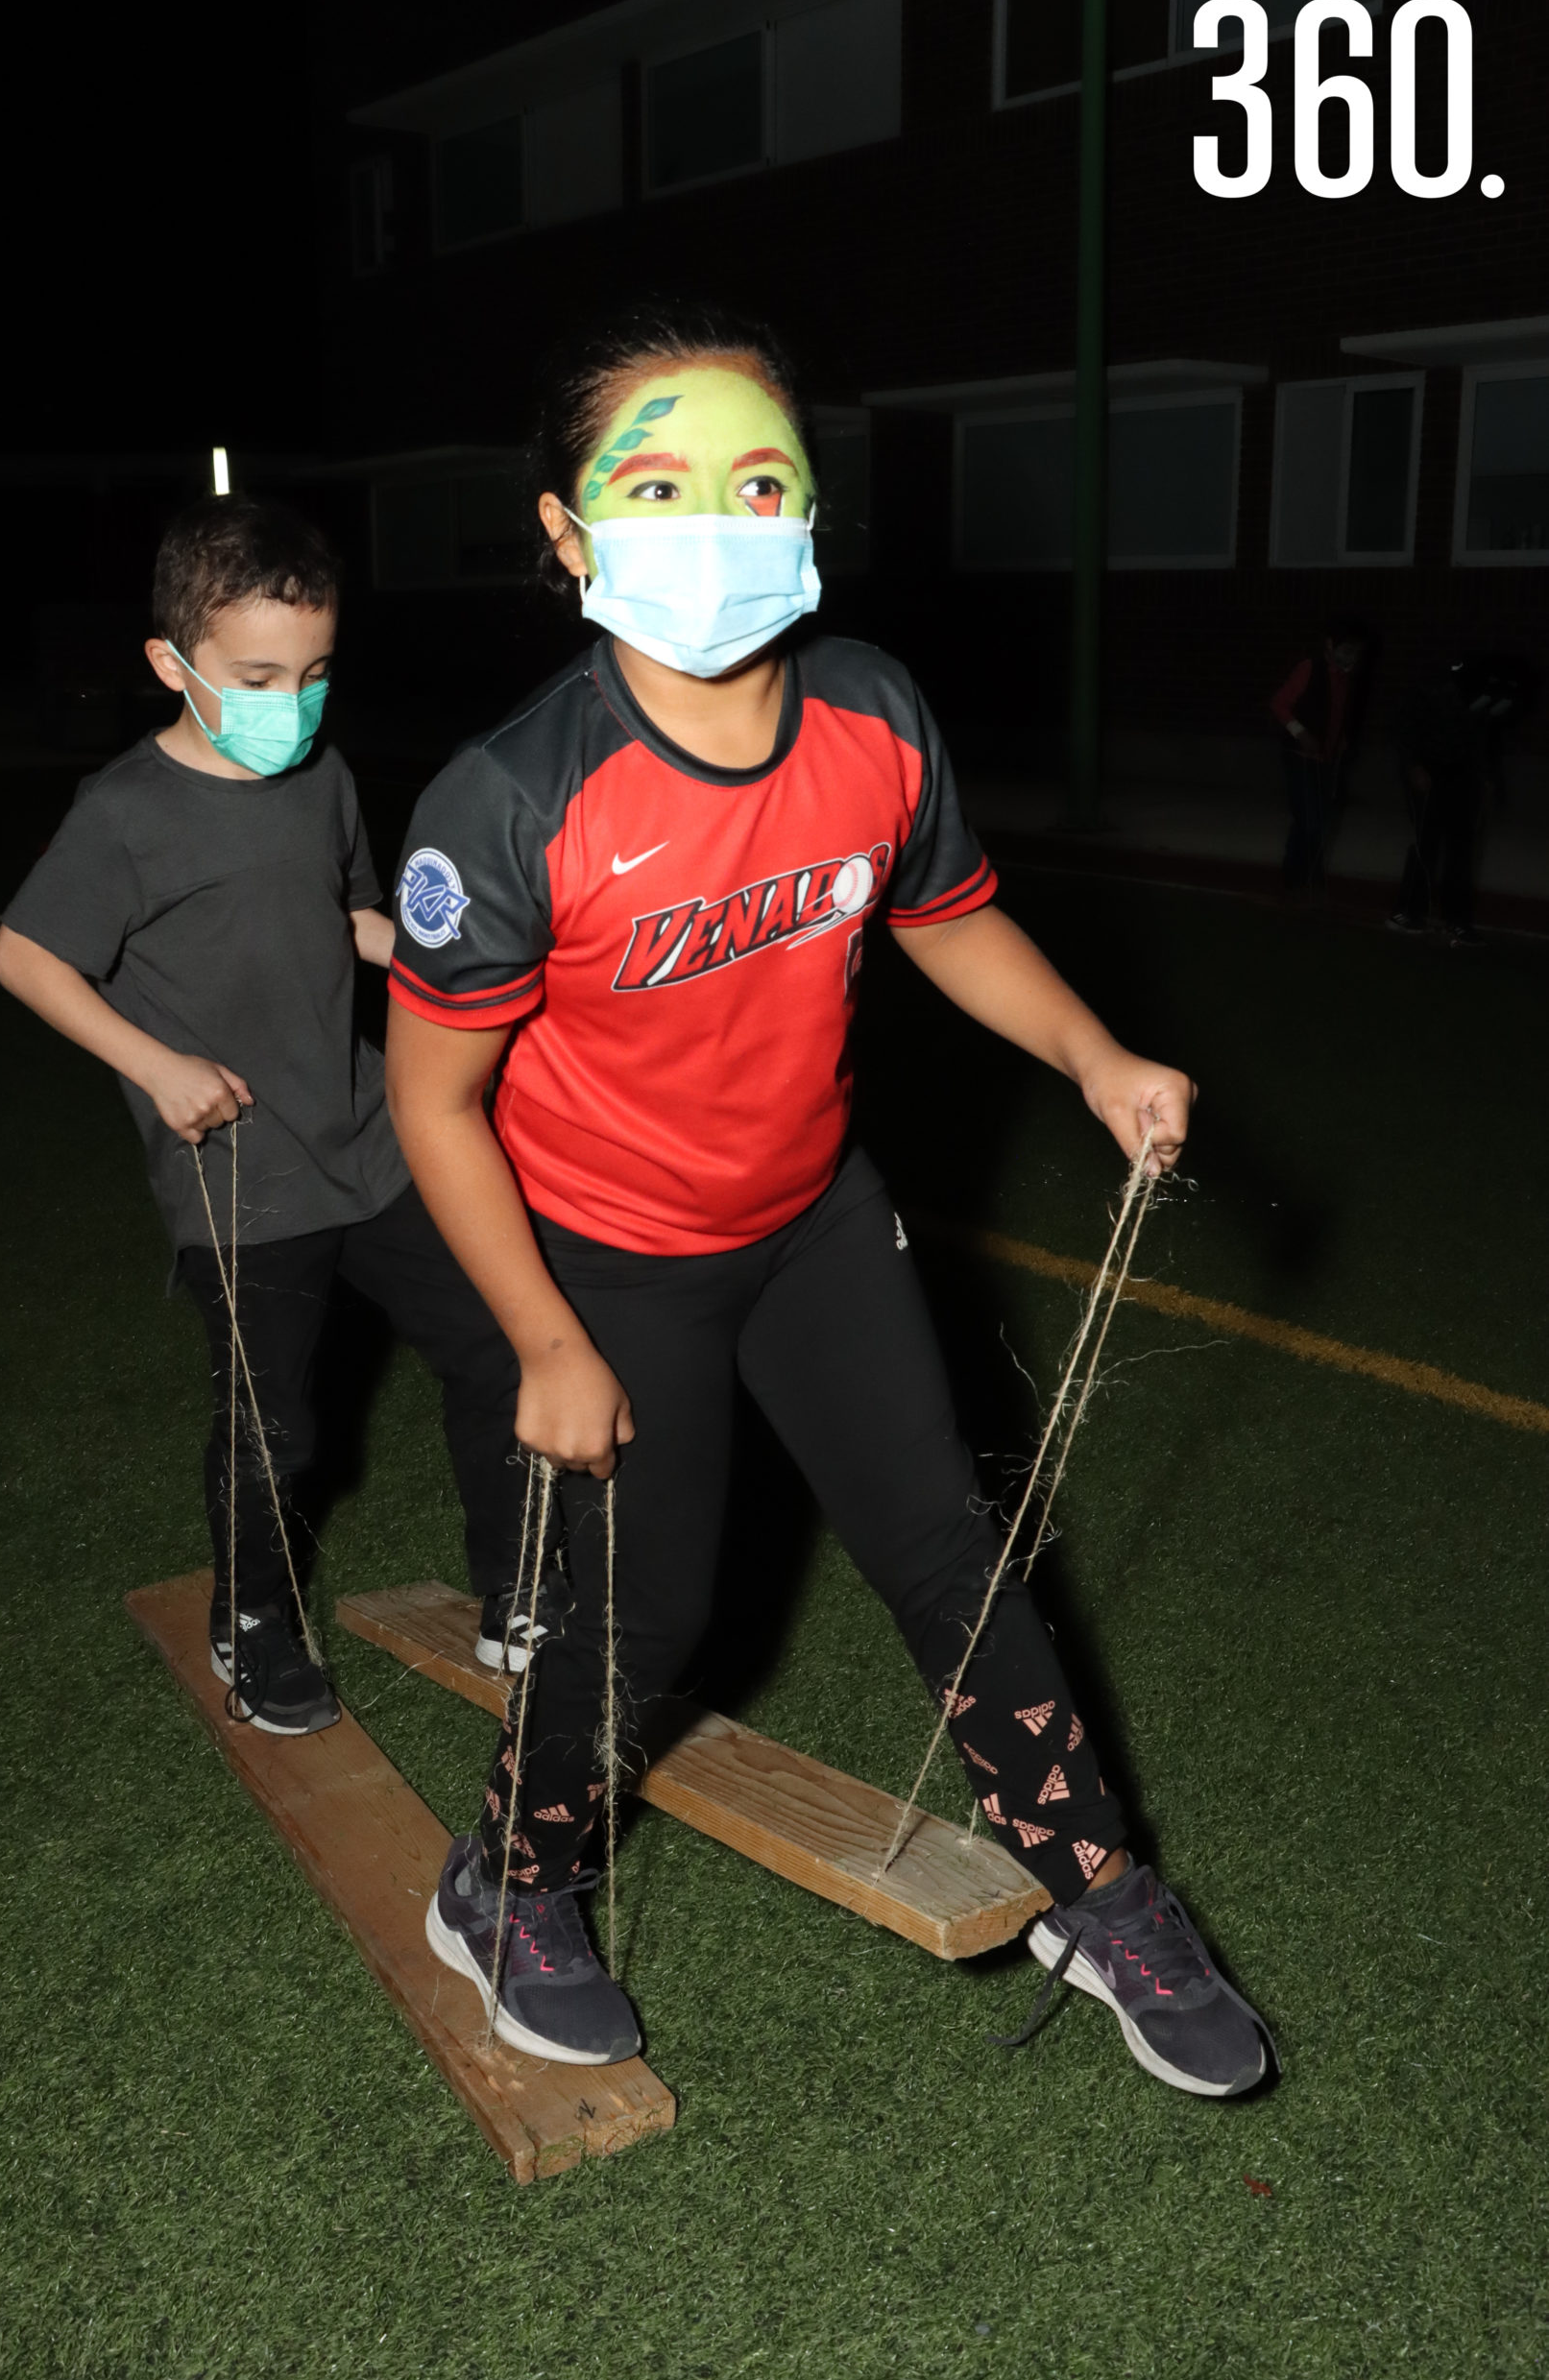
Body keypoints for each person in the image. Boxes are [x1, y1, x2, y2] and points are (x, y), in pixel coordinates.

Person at [385, 303, 1273, 2097]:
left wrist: (1094, 1057)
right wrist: (546, 1339)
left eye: (758, 477)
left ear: (810, 512)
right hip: (612, 1258)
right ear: (566, 535)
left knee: (953, 1547)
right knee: (655, 1615)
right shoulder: (507, 800)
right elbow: (437, 1098)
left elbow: (943, 915)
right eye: (655, 483)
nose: (715, 518)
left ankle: (1096, 1893)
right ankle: (511, 1881)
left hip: (810, 1220)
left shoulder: (869, 711)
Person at [0, 495, 532, 1736]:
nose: (290, 700)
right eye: (255, 675)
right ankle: (252, 1622)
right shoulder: (123, 813)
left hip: (367, 1135)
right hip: (239, 1169)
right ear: (170, 665)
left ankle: (516, 1593)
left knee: (493, 1345)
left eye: (315, 671)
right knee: (272, 1418)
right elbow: (26, 955)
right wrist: (155, 1064)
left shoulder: (321, 774)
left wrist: (444, 969)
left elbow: (346, 916)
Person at [1388, 653, 1536, 945]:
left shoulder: (1494, 699)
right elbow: (1405, 729)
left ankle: (1458, 920)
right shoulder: (1435, 691)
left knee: (1462, 848)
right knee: (1427, 840)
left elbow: (1485, 738)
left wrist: (1488, 780)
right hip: (1428, 769)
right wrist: (1414, 766)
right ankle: (1407, 911)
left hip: (1464, 774)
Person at [1269, 621, 1367, 894]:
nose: (1352, 657)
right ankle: (1302, 878)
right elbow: (1279, 703)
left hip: (1325, 760)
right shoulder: (1309, 669)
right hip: (1300, 757)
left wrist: (1341, 739)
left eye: (1356, 652)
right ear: (1329, 645)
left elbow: (1337, 714)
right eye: (1347, 649)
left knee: (1314, 822)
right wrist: (1301, 733)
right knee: (1310, 820)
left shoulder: (1346, 679)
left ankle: (1300, 876)